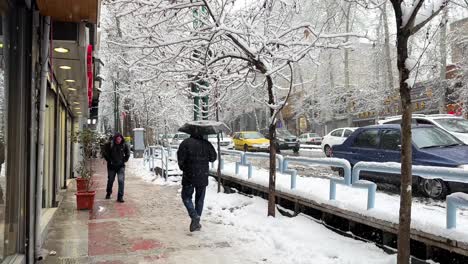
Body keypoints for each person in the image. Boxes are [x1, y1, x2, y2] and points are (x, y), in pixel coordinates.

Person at [177, 134, 217, 232]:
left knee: (186, 197)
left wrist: (184, 167)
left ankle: (194, 217)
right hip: (202, 176)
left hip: (189, 176)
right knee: (200, 199)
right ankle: (197, 219)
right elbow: (213, 158)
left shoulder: (185, 143)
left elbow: (180, 159)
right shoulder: (207, 144)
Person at [102, 133, 131, 202]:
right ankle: (108, 193)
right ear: (115, 139)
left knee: (121, 181)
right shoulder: (110, 145)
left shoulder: (124, 145)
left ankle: (120, 197)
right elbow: (105, 153)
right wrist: (109, 161)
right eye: (117, 139)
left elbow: (128, 153)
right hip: (111, 167)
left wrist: (124, 160)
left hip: (120, 166)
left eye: (120, 138)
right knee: (110, 180)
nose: (119, 140)